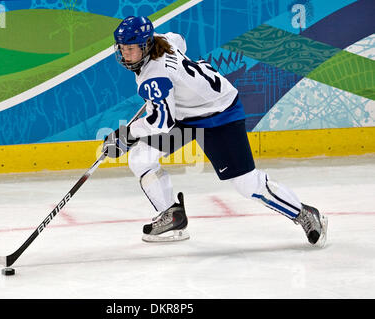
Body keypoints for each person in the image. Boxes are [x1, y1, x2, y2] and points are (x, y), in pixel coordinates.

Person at [103, 16, 328, 245]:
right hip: (185, 113)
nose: (125, 54)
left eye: (131, 48)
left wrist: (127, 134)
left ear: (146, 45)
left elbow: (162, 122)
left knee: (247, 184)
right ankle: (172, 216)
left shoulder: (154, 77)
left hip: (219, 114)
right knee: (142, 158)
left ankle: (304, 214)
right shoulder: (164, 40)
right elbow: (180, 41)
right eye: (122, 48)